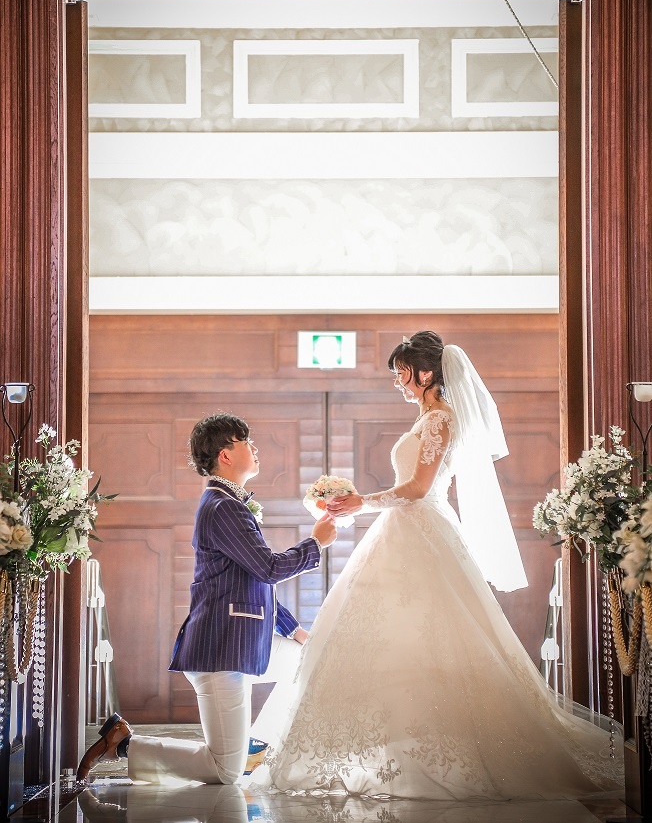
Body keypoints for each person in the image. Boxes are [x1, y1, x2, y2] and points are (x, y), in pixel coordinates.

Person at [247, 332, 624, 800]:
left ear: (426, 373)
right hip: (402, 528)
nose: (398, 382)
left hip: (422, 527)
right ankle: (396, 753)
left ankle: (446, 754)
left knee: (434, 633)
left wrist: (363, 502)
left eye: (401, 374)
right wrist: (357, 503)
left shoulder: (442, 417)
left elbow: (419, 488)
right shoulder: (426, 417)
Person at [77, 411, 337, 786]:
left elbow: (251, 580)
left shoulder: (228, 503)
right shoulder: (223, 506)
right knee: (224, 771)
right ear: (225, 455)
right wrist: (315, 543)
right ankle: (124, 744)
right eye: (247, 442)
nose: (255, 448)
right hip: (222, 650)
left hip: (241, 643)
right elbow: (267, 568)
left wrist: (293, 629)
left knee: (305, 661)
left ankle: (258, 746)